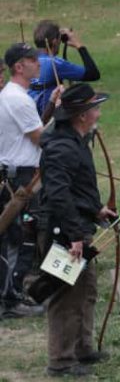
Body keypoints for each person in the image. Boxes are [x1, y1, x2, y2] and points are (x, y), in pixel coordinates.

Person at [39, 83, 115, 376]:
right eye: (94, 106)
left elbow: (77, 188)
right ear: (81, 115)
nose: (98, 110)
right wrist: (73, 237)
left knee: (86, 291)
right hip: (64, 232)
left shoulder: (76, 140)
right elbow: (58, 195)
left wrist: (96, 209)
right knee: (65, 296)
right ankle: (60, 360)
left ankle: (82, 348)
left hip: (78, 226)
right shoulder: (61, 147)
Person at [0, 43, 46, 319]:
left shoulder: (14, 95)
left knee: (18, 234)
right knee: (15, 236)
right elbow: (40, 138)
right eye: (32, 59)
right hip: (20, 178)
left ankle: (12, 293)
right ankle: (9, 299)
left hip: (18, 173)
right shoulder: (17, 98)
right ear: (19, 66)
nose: (38, 62)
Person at [29, 20, 101, 114]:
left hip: (28, 113)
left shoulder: (26, 59)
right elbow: (93, 74)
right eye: (59, 40)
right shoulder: (56, 63)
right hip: (48, 116)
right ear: (55, 42)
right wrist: (79, 46)